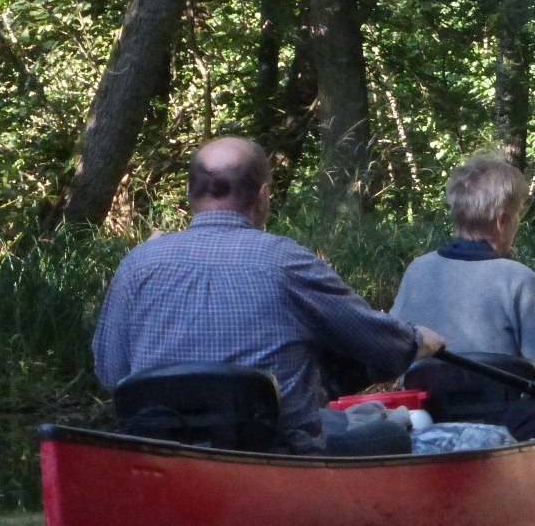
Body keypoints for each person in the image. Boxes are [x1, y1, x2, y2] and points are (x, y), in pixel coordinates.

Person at [93, 136, 445, 455]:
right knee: (394, 435)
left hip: (164, 458)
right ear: (262, 196)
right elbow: (379, 343)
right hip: (277, 458)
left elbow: (111, 373)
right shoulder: (286, 262)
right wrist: (417, 340)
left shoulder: (138, 263)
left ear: (191, 192)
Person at [388, 152, 535, 437]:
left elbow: (393, 353)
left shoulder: (417, 270)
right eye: (518, 215)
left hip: (432, 415)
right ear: (502, 221)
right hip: (507, 421)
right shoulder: (517, 278)